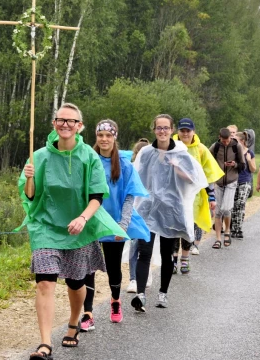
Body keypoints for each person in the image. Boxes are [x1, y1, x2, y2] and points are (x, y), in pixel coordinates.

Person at [19, 103, 128, 360]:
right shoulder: (40, 156)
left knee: (76, 283)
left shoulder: (88, 157)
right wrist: (29, 177)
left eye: (71, 121)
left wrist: (82, 218)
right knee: (45, 282)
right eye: (60, 120)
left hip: (78, 228)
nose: (65, 125)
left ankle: (73, 322)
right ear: (54, 124)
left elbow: (96, 196)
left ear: (79, 126)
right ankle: (45, 342)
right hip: (45, 226)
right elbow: (31, 196)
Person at [131, 114, 208, 310]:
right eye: (159, 128)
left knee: (167, 253)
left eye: (166, 128)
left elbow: (195, 179)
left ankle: (162, 294)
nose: (162, 131)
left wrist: (177, 168)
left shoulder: (181, 154)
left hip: (171, 210)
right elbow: (136, 178)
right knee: (144, 251)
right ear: (154, 130)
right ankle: (140, 295)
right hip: (148, 209)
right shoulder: (146, 153)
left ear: (172, 130)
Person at [81, 121, 150, 331]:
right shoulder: (88, 161)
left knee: (113, 268)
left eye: (108, 135)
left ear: (114, 137)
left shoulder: (124, 165)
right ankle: (88, 312)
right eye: (100, 135)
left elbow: (129, 197)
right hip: (91, 224)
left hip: (114, 224)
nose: (103, 139)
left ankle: (115, 300)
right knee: (88, 268)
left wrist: (123, 225)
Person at [171, 118, 222, 271]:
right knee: (173, 229)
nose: (185, 133)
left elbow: (208, 175)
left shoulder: (201, 149)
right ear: (178, 131)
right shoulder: (171, 146)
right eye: (182, 130)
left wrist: (211, 196)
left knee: (188, 228)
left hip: (194, 196)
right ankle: (173, 259)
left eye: (188, 131)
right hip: (172, 194)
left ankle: (185, 258)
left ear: (193, 131)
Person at [209, 127, 245, 248]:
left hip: (231, 181)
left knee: (226, 209)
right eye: (224, 140)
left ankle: (228, 230)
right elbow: (207, 160)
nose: (226, 142)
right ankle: (218, 239)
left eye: (228, 139)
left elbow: (242, 164)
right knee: (218, 212)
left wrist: (234, 164)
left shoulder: (236, 146)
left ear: (230, 137)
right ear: (220, 137)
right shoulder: (215, 147)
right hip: (218, 182)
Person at [126, 138, 152, 294]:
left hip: (149, 211)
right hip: (134, 210)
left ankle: (144, 275)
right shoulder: (129, 168)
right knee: (135, 244)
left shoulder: (153, 168)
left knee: (145, 246)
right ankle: (133, 278)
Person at [229, 131, 256, 239]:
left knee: (240, 203)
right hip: (233, 181)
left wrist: (249, 160)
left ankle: (238, 229)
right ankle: (233, 228)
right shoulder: (233, 152)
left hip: (245, 182)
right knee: (233, 206)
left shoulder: (249, 153)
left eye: (236, 140)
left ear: (242, 141)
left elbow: (253, 169)